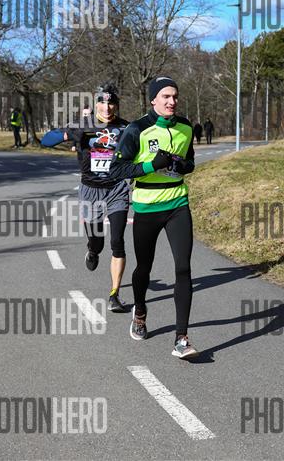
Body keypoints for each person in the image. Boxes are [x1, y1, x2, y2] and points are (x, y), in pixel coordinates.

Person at [109, 76, 197, 359]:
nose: (172, 101)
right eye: (166, 96)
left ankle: (181, 338)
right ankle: (140, 312)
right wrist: (150, 165)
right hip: (146, 207)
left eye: (175, 96)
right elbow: (116, 170)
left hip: (177, 203)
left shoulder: (185, 127)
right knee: (143, 267)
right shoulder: (137, 129)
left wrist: (182, 165)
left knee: (183, 268)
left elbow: (190, 162)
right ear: (153, 100)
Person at [42, 84, 130, 312]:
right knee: (97, 241)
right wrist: (68, 134)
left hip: (117, 189)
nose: (107, 108)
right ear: (96, 104)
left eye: (111, 103)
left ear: (116, 105)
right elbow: (46, 140)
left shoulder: (125, 127)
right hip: (91, 190)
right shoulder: (82, 125)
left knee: (117, 241)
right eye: (102, 103)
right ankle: (92, 250)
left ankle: (114, 294)